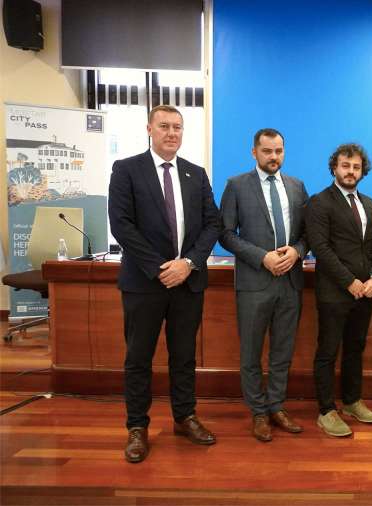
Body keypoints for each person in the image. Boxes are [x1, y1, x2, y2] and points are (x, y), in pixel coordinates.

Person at [108, 105, 220, 463]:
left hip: (187, 282)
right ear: (149, 129)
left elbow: (213, 224)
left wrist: (188, 263)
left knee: (184, 356)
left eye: (177, 127)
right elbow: (121, 224)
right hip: (144, 283)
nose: (172, 133)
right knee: (138, 357)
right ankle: (137, 427)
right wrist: (160, 268)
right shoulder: (127, 169)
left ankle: (185, 417)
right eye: (164, 126)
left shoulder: (195, 174)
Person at [219, 128, 308, 442]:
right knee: (251, 353)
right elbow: (225, 233)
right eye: (267, 151)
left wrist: (297, 251)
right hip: (254, 282)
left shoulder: (297, 186)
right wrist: (262, 258)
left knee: (283, 351)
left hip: (290, 281)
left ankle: (276, 406)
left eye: (278, 151)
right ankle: (258, 412)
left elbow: (307, 233)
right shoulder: (236, 185)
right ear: (254, 152)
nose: (274, 157)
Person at [306, 143, 372, 437]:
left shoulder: (369, 204)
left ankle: (351, 401)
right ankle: (326, 410)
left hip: (365, 292)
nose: (351, 171)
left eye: (356, 167)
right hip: (335, 291)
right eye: (345, 166)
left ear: (363, 171)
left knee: (355, 348)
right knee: (328, 351)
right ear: (334, 168)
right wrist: (349, 281)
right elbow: (321, 248)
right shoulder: (319, 202)